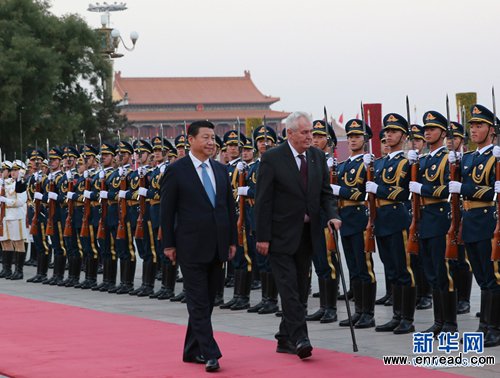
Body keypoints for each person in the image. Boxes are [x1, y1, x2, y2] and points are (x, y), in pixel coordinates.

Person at [255, 111, 341, 360]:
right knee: (289, 288)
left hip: (307, 233)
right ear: (289, 133)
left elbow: (325, 193)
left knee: (302, 288)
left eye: (311, 132)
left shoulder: (316, 157)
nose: (310, 137)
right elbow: (263, 200)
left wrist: (332, 215)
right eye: (304, 133)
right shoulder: (272, 159)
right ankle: (300, 338)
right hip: (280, 235)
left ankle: (284, 338)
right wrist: (262, 236)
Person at [161, 120, 237, 372]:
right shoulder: (177, 170)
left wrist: (232, 241)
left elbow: (228, 208)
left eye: (213, 137)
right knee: (197, 300)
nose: (210, 142)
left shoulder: (220, 170)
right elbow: (167, 210)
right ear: (190, 140)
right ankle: (210, 352)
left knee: (208, 299)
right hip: (190, 246)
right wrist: (168, 244)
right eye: (205, 137)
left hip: (217, 246)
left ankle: (191, 349)